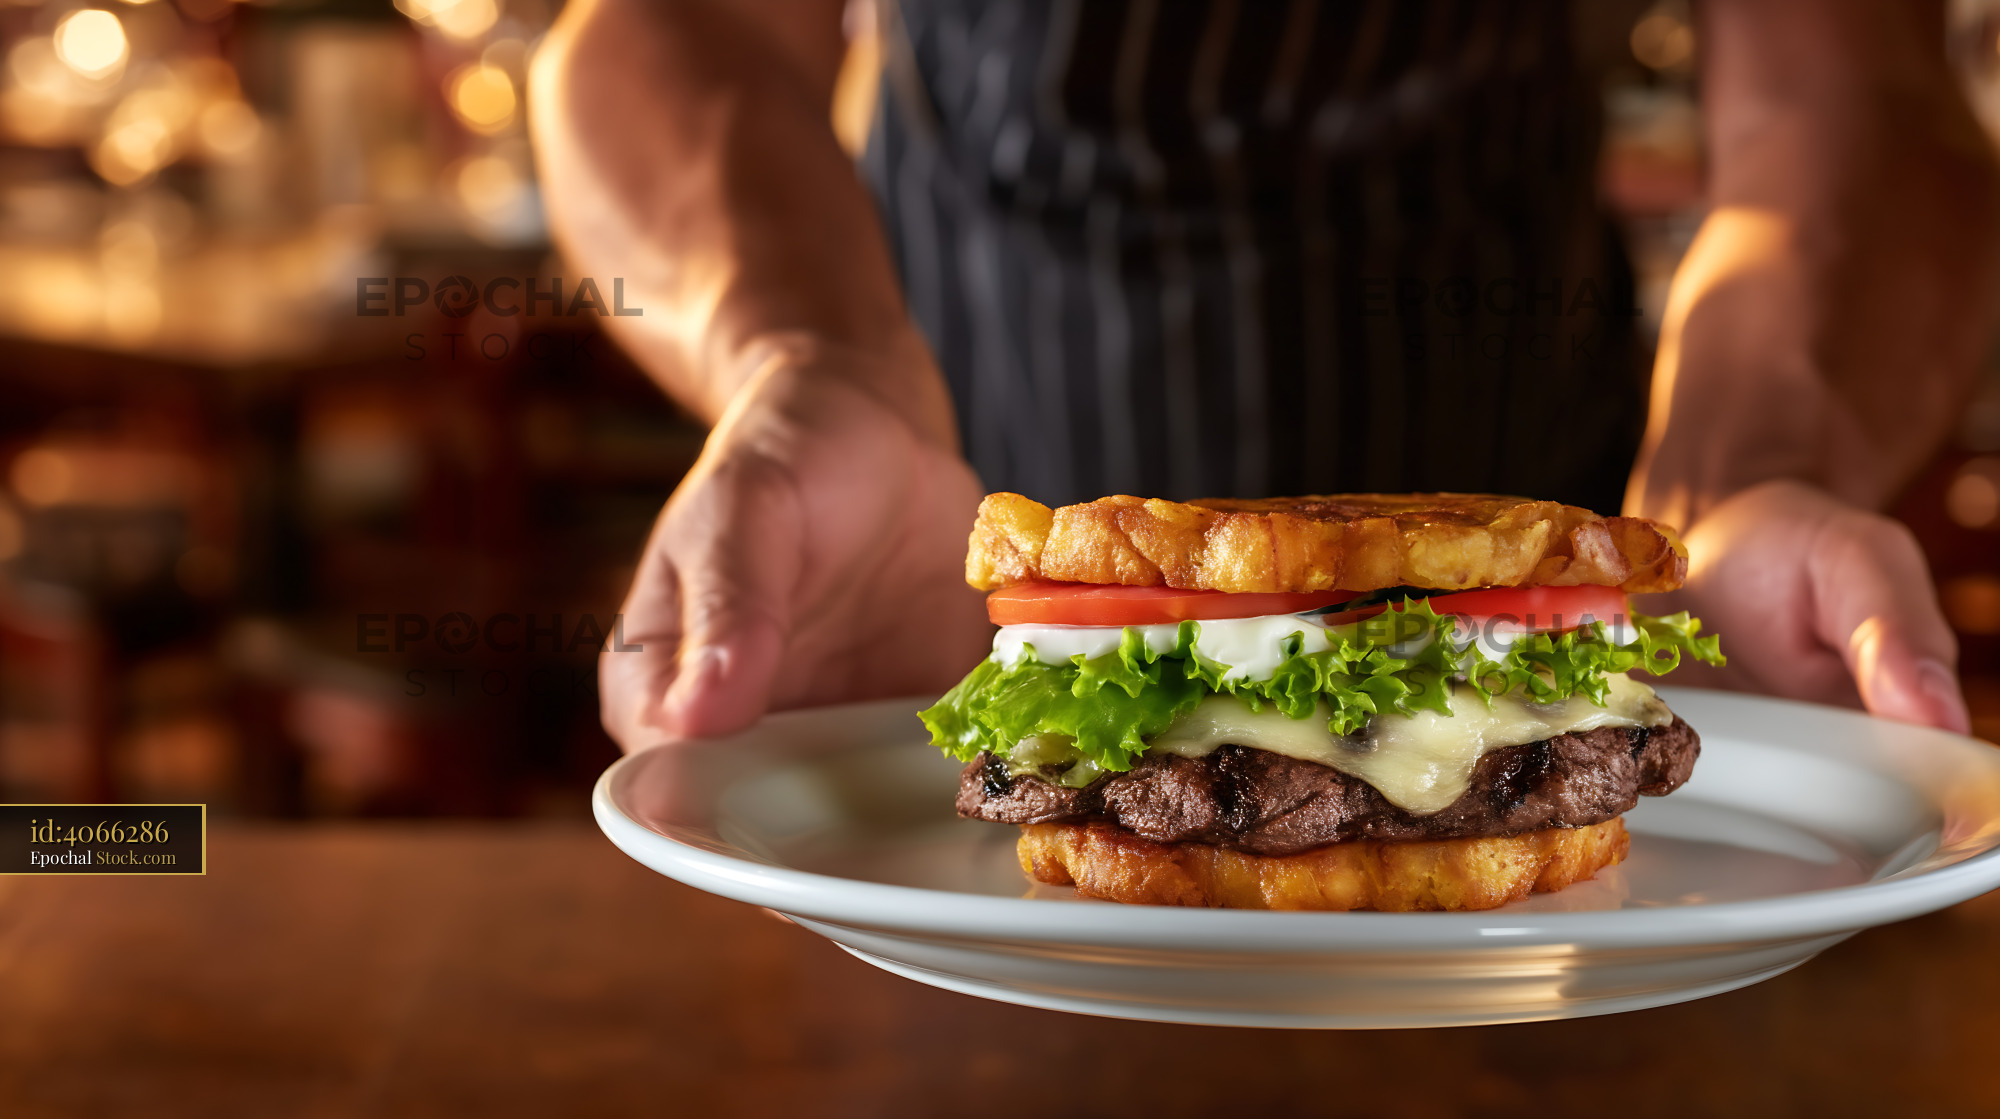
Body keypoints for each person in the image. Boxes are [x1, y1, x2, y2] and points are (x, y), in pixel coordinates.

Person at [529, 0, 2000, 751]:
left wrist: (1739, 485)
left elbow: (1850, 83)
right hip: (952, 550)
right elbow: (674, 28)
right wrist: (804, 359)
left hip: (1534, 576)